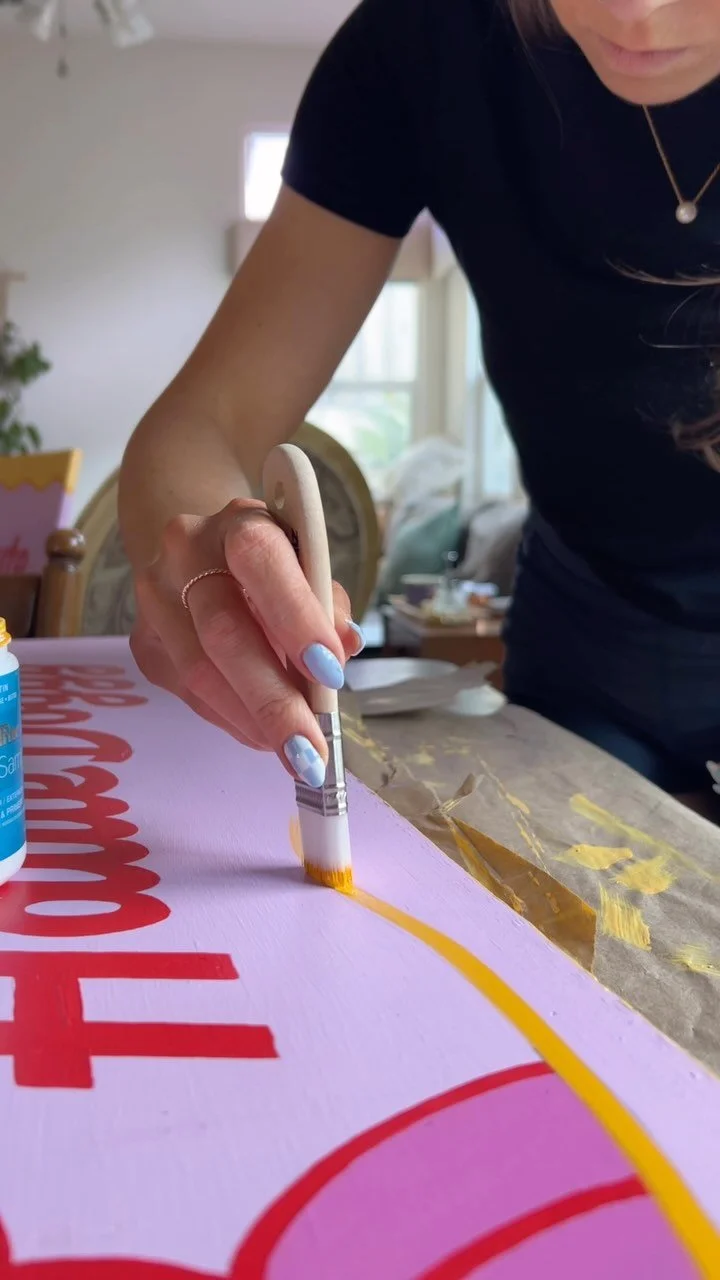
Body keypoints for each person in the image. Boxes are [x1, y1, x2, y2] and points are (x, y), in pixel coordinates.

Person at [120, 0, 720, 810]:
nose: (636, 12)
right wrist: (210, 564)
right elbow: (204, 420)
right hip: (587, 642)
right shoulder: (422, 41)